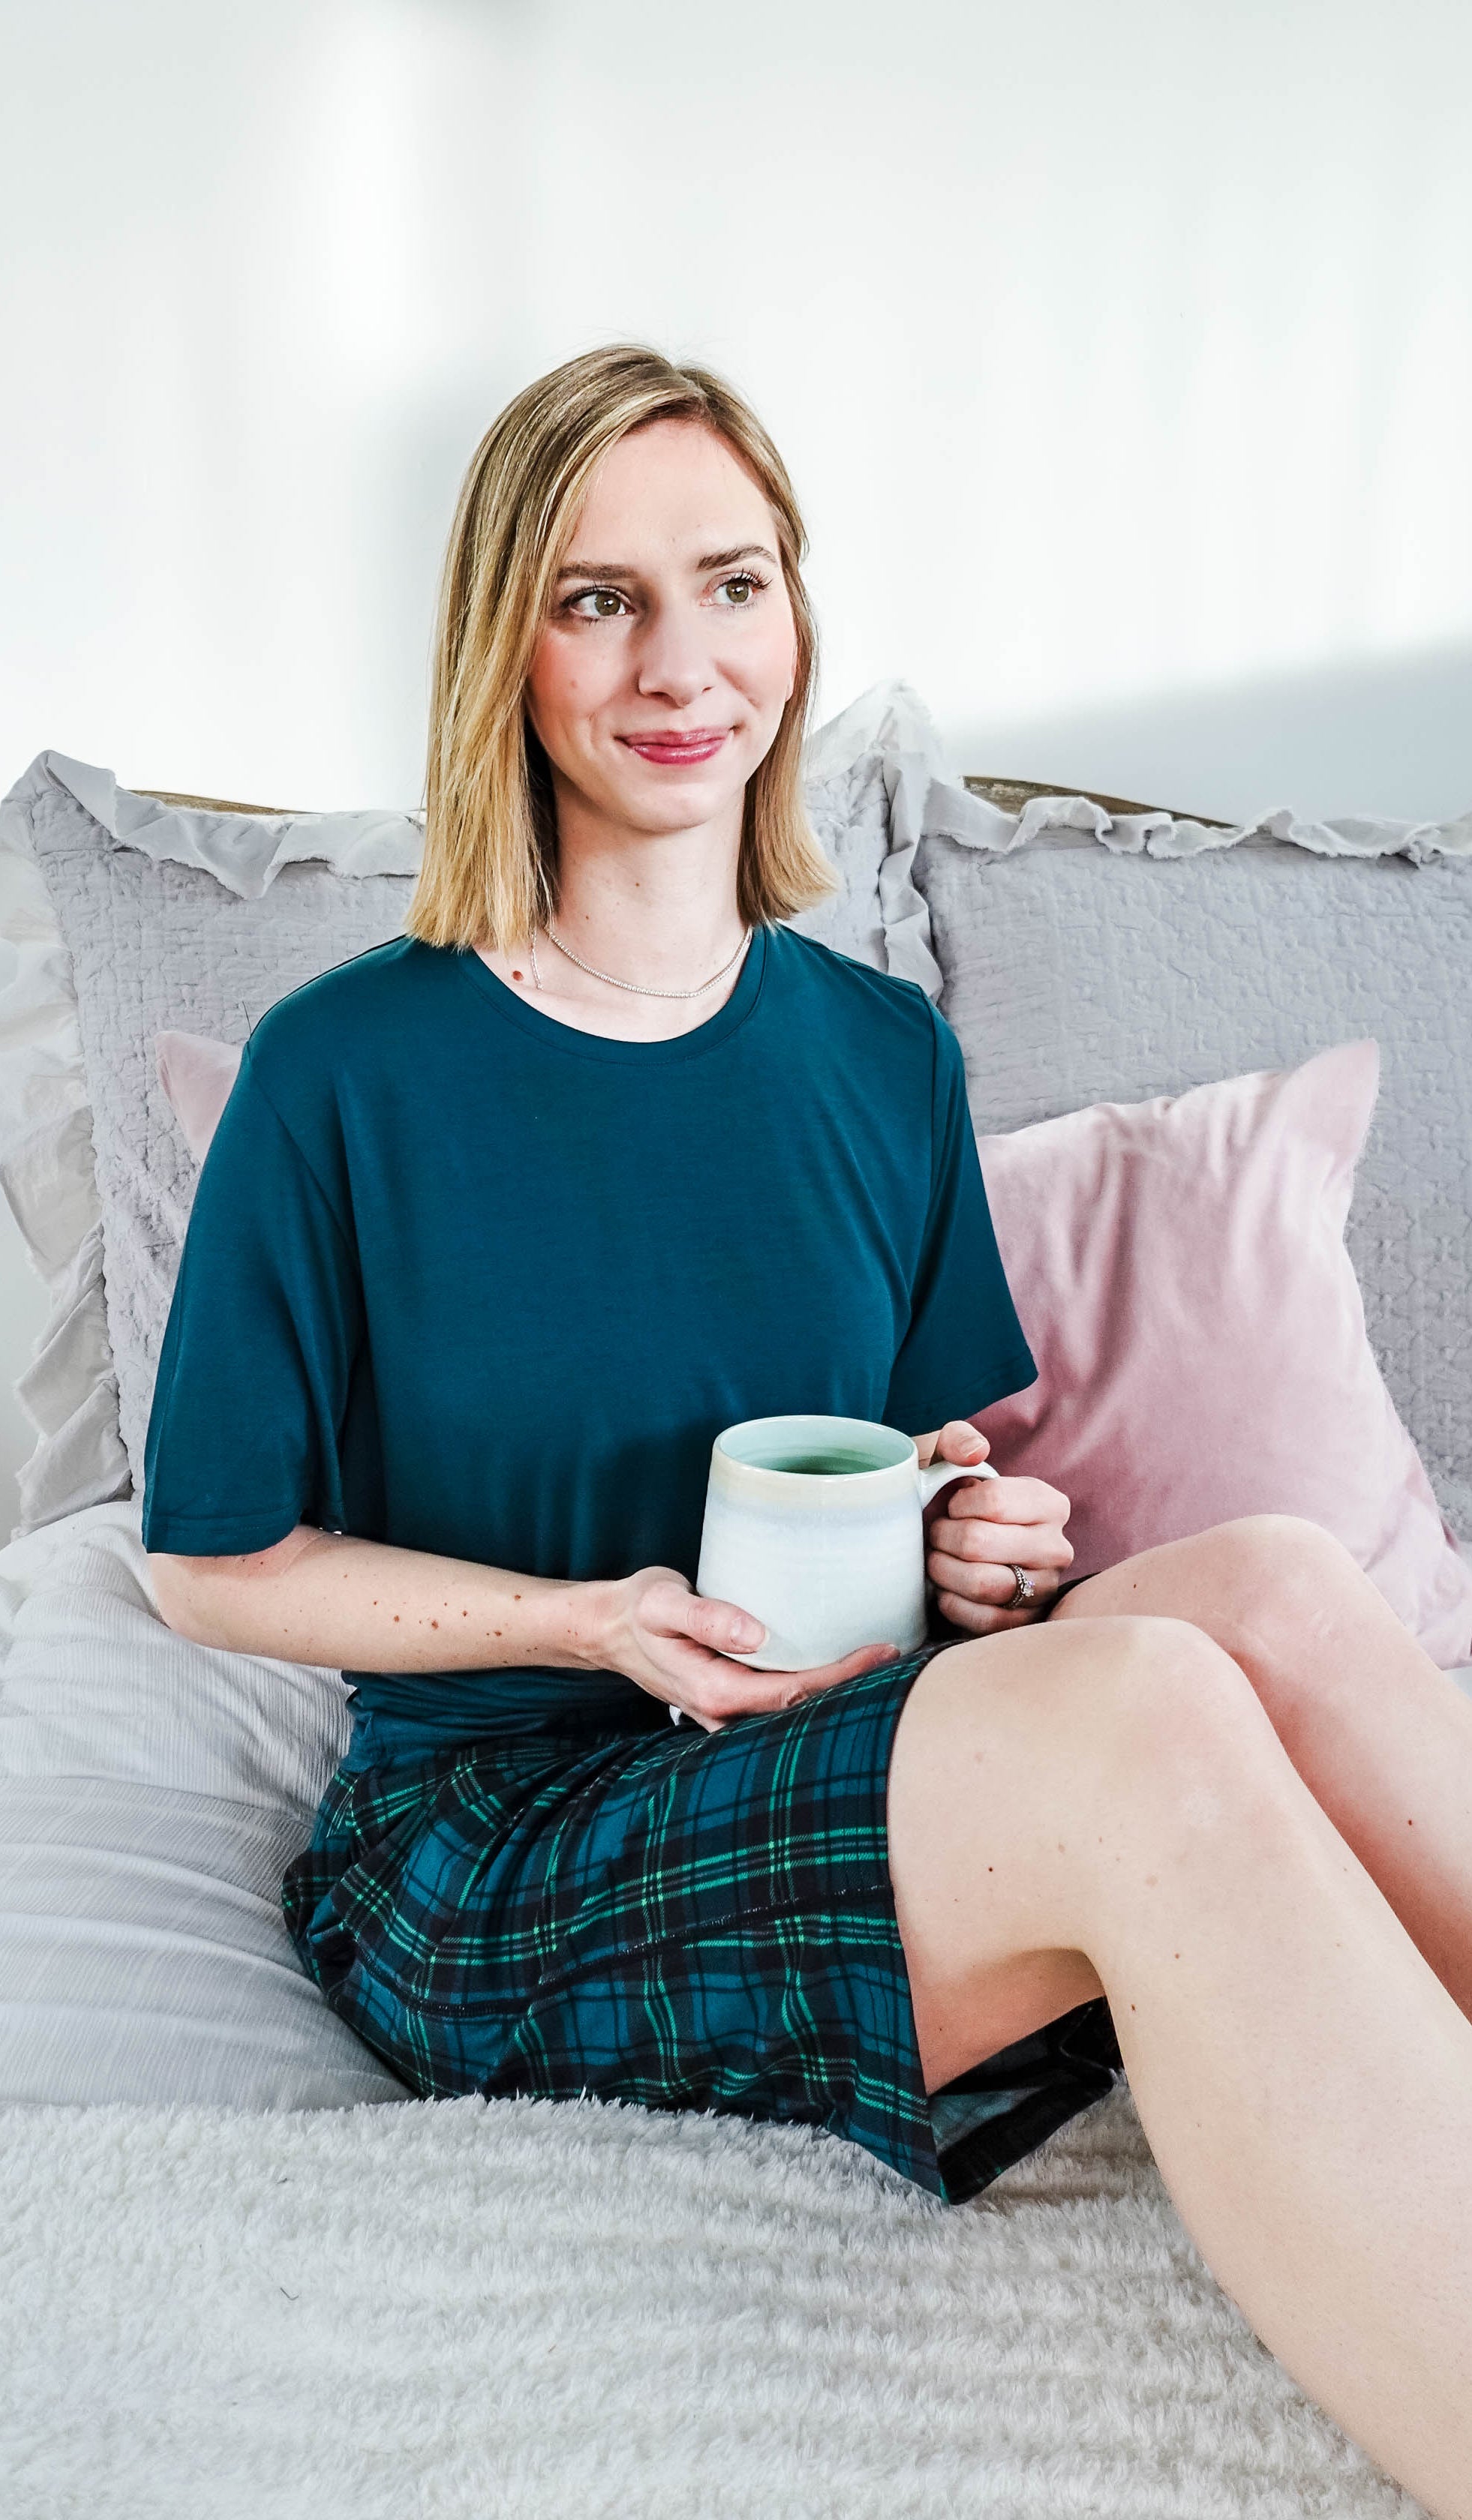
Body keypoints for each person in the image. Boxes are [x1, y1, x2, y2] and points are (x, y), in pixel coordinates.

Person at [142, 345, 1472, 2515]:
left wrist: (964, 1544)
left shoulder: (872, 1053)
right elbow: (206, 1561)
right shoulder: (342, 1073)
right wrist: (592, 1625)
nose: (682, 665)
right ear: (505, 642)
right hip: (498, 1842)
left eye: (729, 584)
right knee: (1138, 1704)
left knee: (1274, 1588)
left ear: (794, 617)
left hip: (826, 1746)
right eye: (598, 601)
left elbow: (915, 1468)